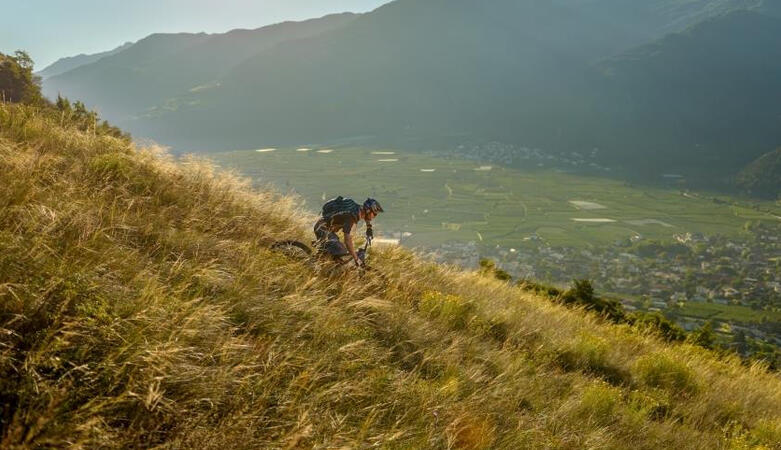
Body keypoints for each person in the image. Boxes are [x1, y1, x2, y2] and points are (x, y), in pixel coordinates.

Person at [314, 197, 383, 267]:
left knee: (337, 254)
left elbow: (366, 217)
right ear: (368, 211)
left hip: (327, 229)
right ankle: (319, 268)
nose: (375, 216)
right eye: (374, 214)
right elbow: (347, 241)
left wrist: (369, 227)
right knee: (341, 251)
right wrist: (356, 259)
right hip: (322, 228)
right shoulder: (351, 218)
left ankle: (321, 264)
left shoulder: (358, 209)